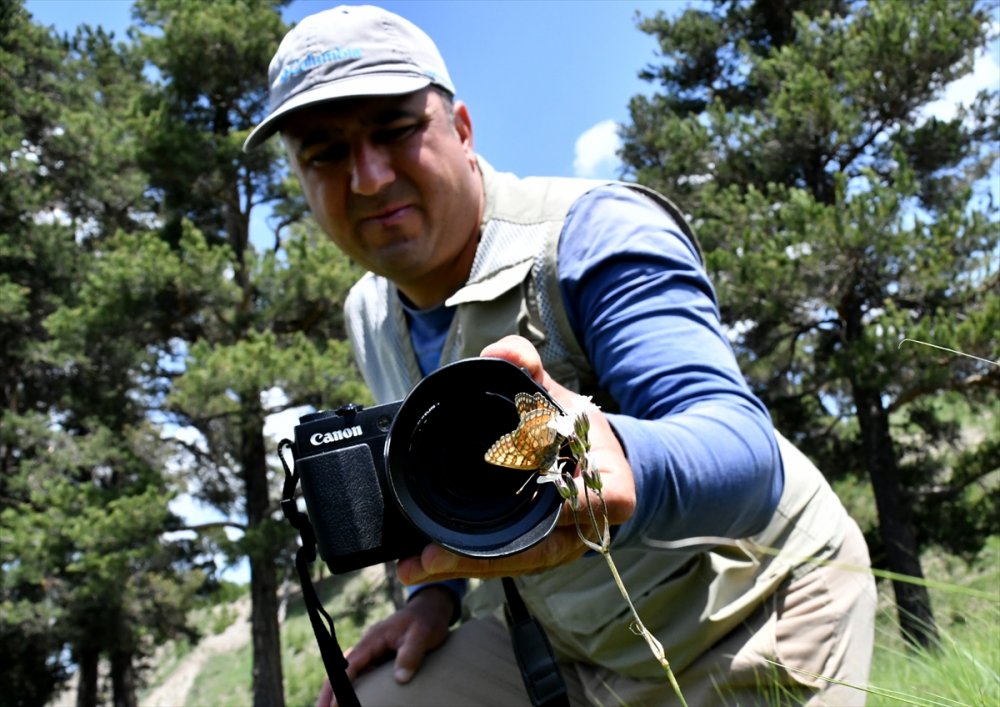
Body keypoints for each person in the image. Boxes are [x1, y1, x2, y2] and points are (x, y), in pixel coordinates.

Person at [245, 5, 877, 706]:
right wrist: (435, 599)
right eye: (324, 153)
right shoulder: (368, 313)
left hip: (747, 613)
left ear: (461, 131)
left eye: (395, 131)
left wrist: (612, 452)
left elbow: (743, 454)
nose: (366, 178)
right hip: (558, 640)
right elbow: (436, 484)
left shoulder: (593, 236)